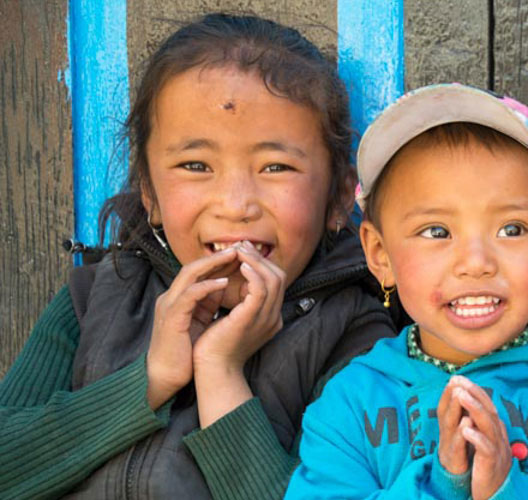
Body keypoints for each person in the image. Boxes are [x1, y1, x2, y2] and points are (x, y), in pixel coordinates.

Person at [0, 13, 396, 499]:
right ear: (150, 193)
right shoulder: (94, 298)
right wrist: (149, 379)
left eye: (276, 166)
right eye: (195, 165)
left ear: (337, 197)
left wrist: (221, 373)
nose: (235, 204)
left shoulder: (359, 340)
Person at [286, 83, 528, 499]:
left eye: (511, 229)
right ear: (380, 254)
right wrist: (442, 485)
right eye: (436, 231)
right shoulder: (349, 404)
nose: (476, 262)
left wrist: (508, 488)